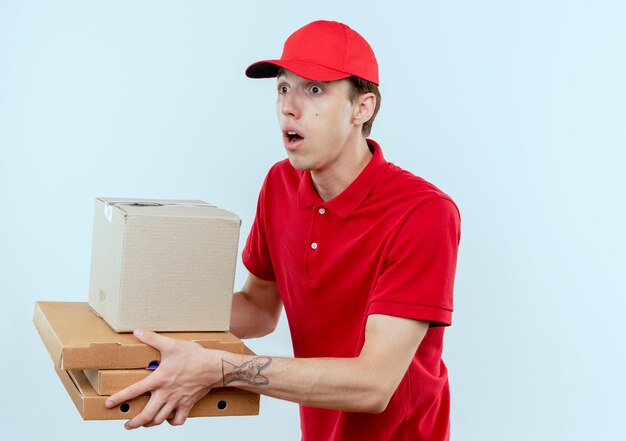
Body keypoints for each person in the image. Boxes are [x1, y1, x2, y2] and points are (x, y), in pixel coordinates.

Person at [106, 20, 461, 441]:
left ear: (362, 108)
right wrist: (138, 316)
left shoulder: (423, 213)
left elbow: (374, 384)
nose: (289, 106)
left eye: (314, 90)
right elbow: (258, 309)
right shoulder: (280, 184)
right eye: (282, 88)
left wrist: (221, 370)